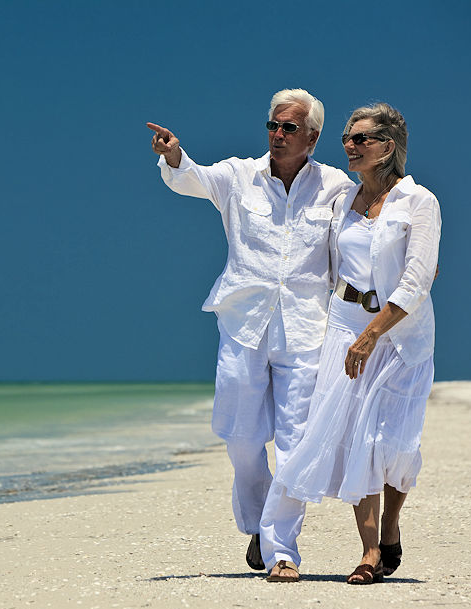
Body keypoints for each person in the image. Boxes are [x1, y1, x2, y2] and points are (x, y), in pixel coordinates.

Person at [147, 89, 353, 574]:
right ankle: (260, 522)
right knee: (240, 433)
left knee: (296, 439)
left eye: (289, 128)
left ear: (313, 137)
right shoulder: (240, 175)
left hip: (308, 326)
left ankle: (282, 548)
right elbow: (191, 177)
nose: (278, 135)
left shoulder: (336, 187)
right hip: (243, 321)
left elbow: (352, 248)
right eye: (273, 126)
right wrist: (174, 154)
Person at [259, 102, 441, 583]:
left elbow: (418, 279)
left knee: (394, 441)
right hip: (344, 324)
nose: (350, 146)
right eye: (347, 137)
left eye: (361, 138)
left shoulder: (418, 201)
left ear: (388, 147)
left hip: (401, 334)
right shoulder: (344, 200)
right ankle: (369, 550)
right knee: (355, 436)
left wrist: (373, 334)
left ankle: (392, 523)